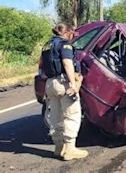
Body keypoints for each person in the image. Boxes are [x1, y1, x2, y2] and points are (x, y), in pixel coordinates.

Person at [44, 23, 88, 161]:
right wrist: (73, 85)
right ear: (68, 32)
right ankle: (70, 149)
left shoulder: (47, 45)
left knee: (56, 116)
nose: (72, 37)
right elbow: (67, 63)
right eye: (72, 34)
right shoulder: (65, 45)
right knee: (72, 114)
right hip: (63, 83)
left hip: (50, 83)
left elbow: (41, 64)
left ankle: (58, 148)